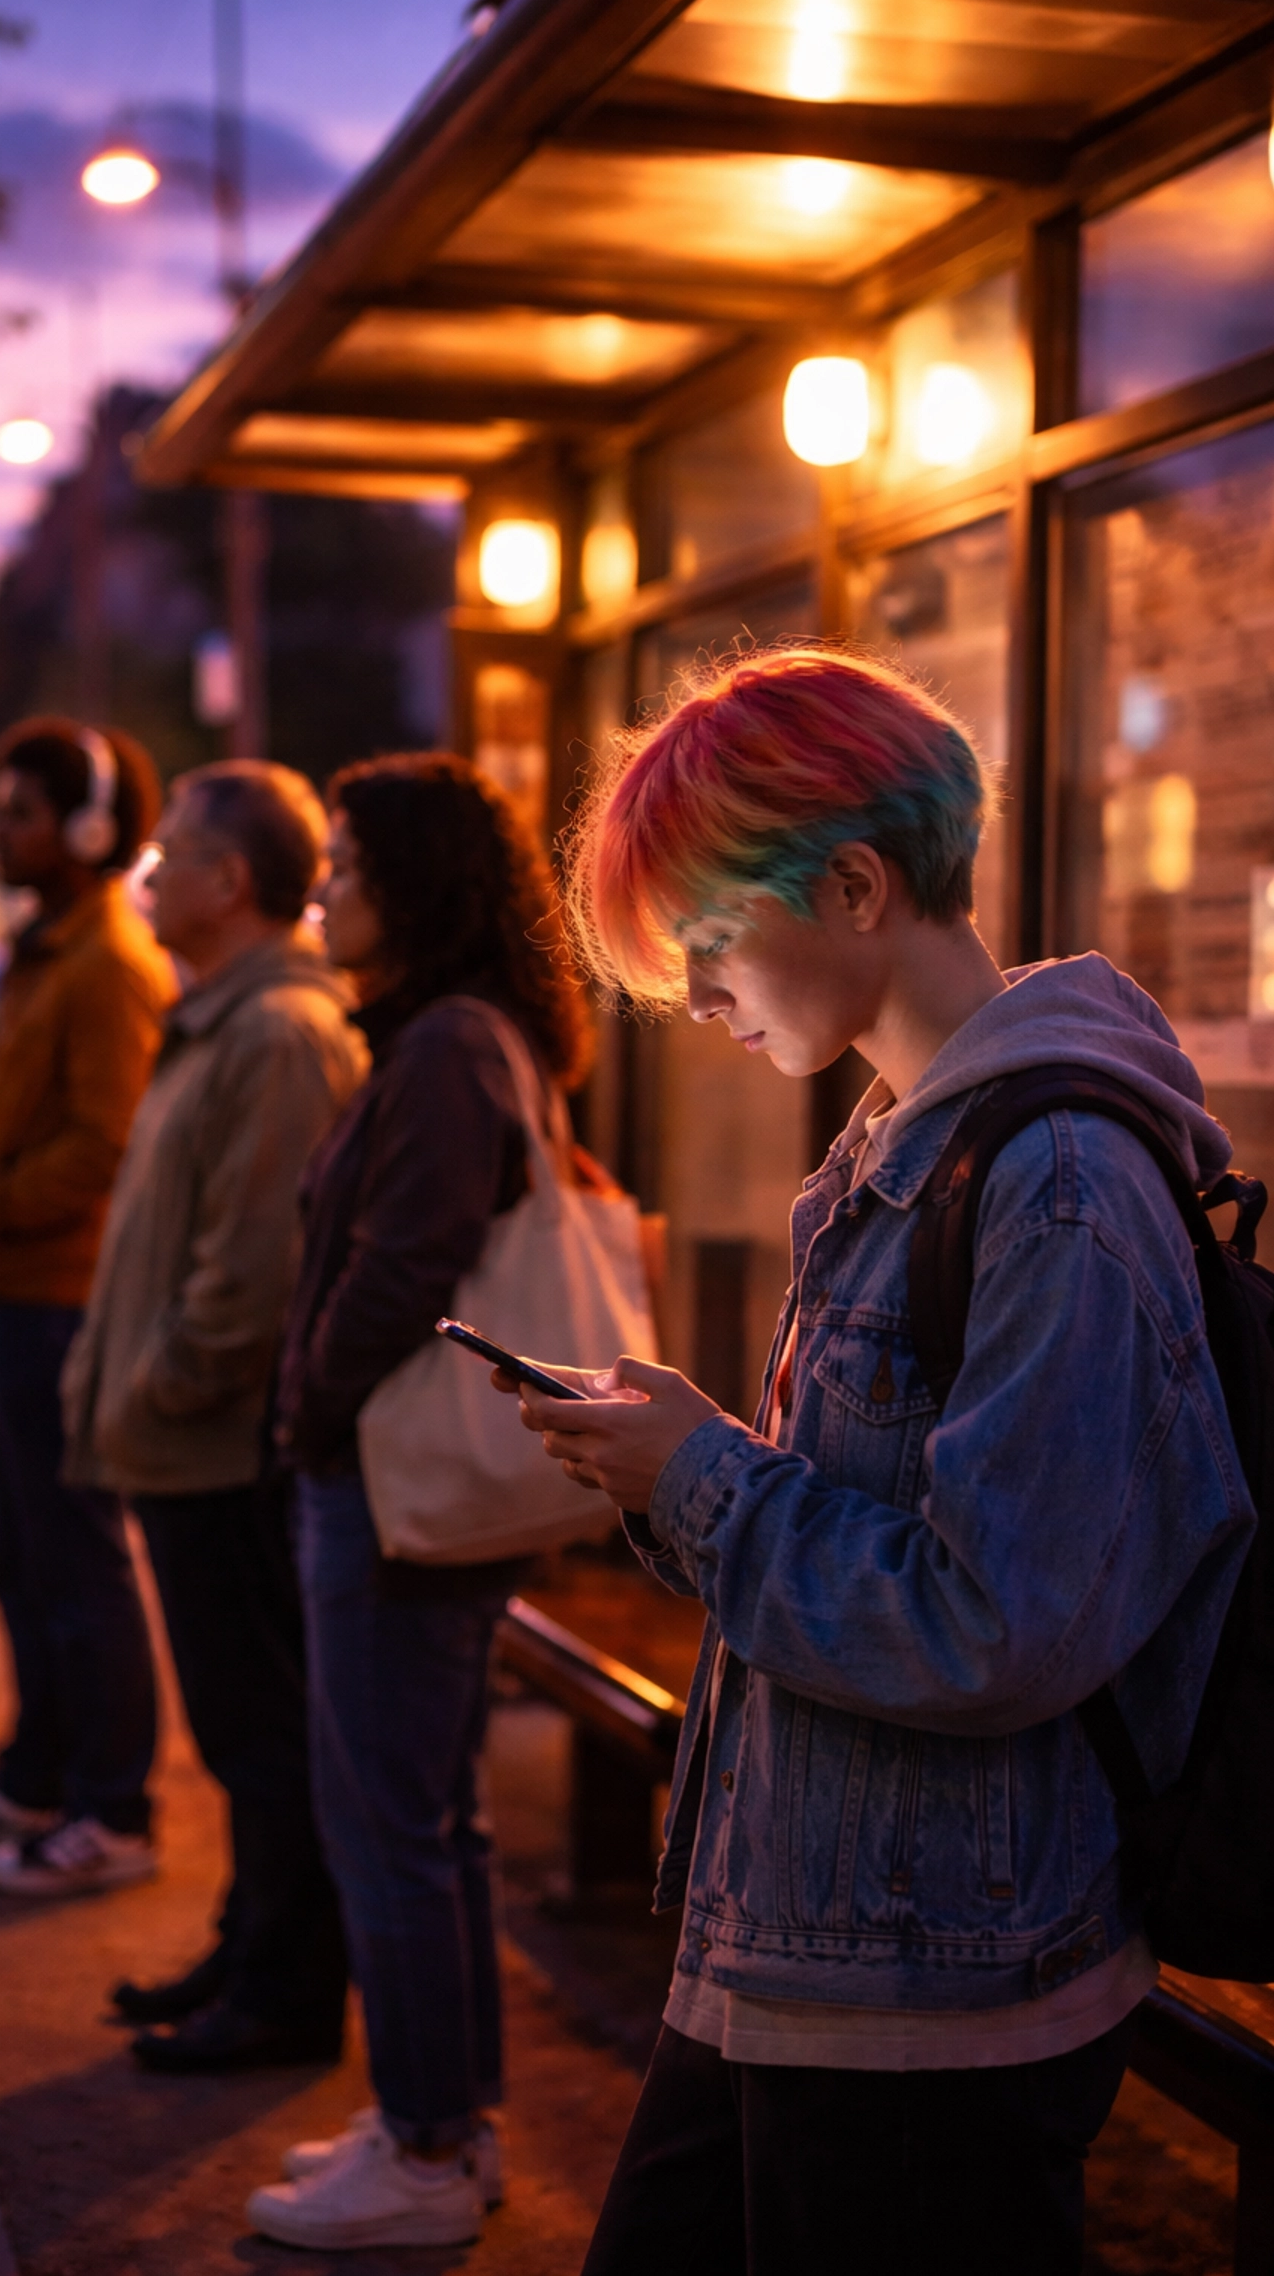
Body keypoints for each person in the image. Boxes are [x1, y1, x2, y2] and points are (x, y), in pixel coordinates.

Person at [496, 647, 1256, 2276]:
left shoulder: (1051, 1173)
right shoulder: (908, 1143)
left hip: (936, 1983)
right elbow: (901, 1523)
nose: (694, 996)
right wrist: (683, 1455)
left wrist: (699, 1476)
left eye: (704, 939)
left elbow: (996, 1617)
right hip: (817, 1936)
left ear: (851, 883)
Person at [246, 754, 592, 2253]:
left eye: (343, 861)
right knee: (429, 1819)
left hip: (383, 1490)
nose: (323, 886)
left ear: (414, 881)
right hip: (401, 1490)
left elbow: (404, 1264)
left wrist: (309, 1411)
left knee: (384, 1819)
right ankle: (443, 2125)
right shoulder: (466, 1036)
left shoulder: (447, 1046)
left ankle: (429, 2145)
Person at [62, 761, 364, 2071]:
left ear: (229, 882)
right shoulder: (221, 1022)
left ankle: (285, 1993)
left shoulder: (276, 1035)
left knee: (264, 1731)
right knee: (244, 1733)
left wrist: (155, 1392)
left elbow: (245, 1283)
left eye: (169, 853)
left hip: (222, 1451)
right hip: (186, 1444)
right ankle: (249, 1951)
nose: (145, 872)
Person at [0, 716, 177, 1898]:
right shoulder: (45, 952)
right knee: (21, 1561)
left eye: (20, 812)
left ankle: (112, 1808)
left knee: (72, 1563)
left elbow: (104, 1144)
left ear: (88, 830)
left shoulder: (108, 965)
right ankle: (35, 1778)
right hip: (8, 1293)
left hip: (58, 1299)